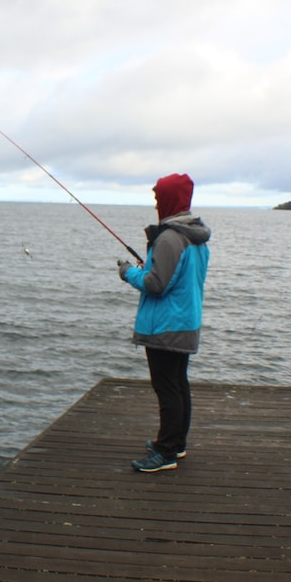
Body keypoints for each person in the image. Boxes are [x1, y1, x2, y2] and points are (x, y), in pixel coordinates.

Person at [117, 173, 211, 473]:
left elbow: (157, 285)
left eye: (159, 197)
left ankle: (166, 452)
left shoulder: (170, 238)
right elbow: (174, 277)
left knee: (167, 388)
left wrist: (129, 273)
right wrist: (152, 269)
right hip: (185, 322)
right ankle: (176, 443)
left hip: (166, 327)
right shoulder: (194, 236)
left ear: (169, 199)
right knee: (178, 385)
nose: (157, 202)